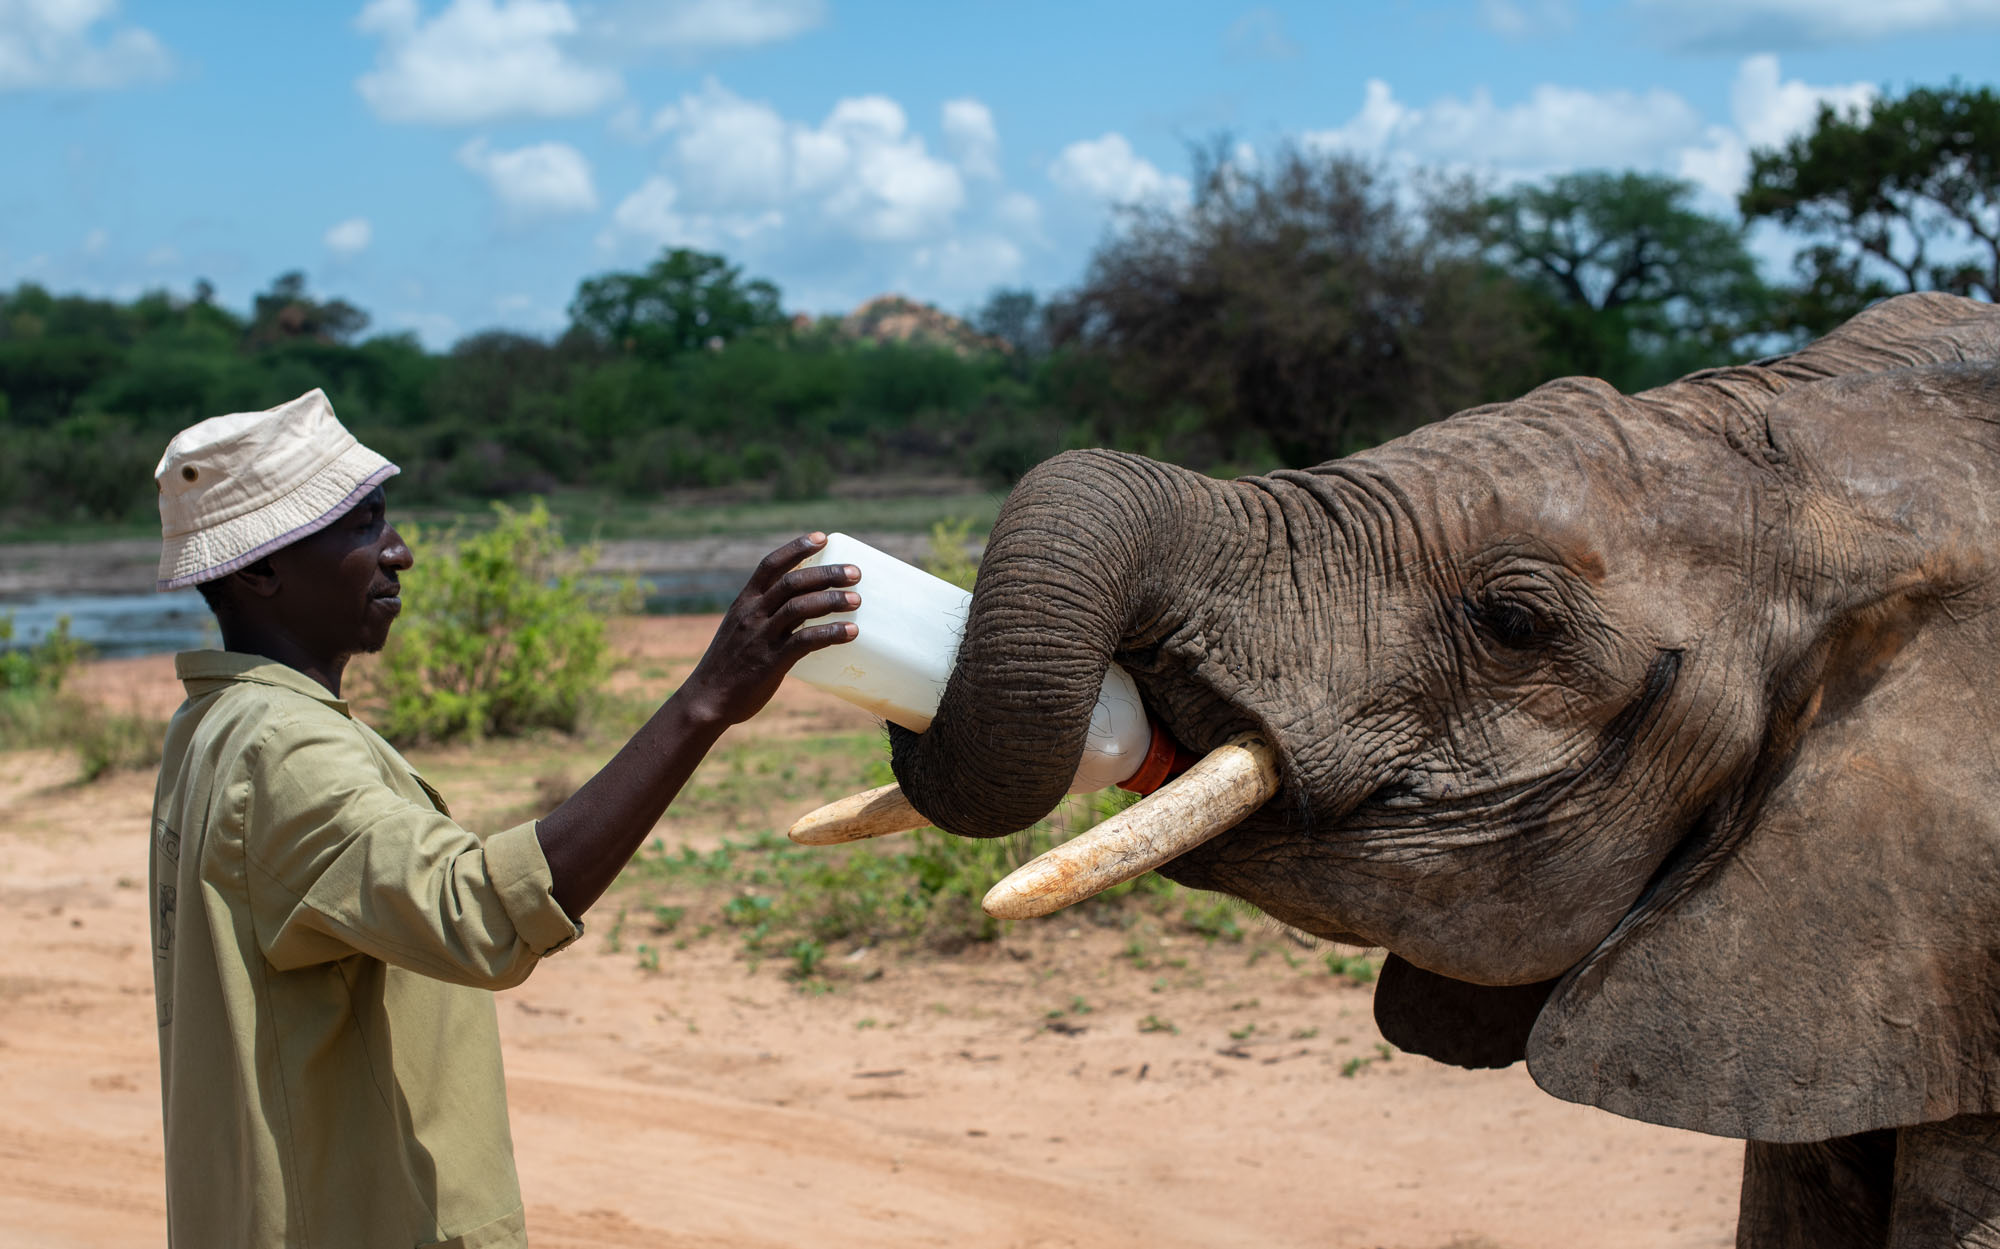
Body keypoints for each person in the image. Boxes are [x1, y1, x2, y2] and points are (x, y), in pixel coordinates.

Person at [145, 388, 860, 1247]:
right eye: (362, 525)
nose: (398, 551)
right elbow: (480, 914)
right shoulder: (284, 750)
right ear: (260, 570)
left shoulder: (215, 722)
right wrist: (702, 703)